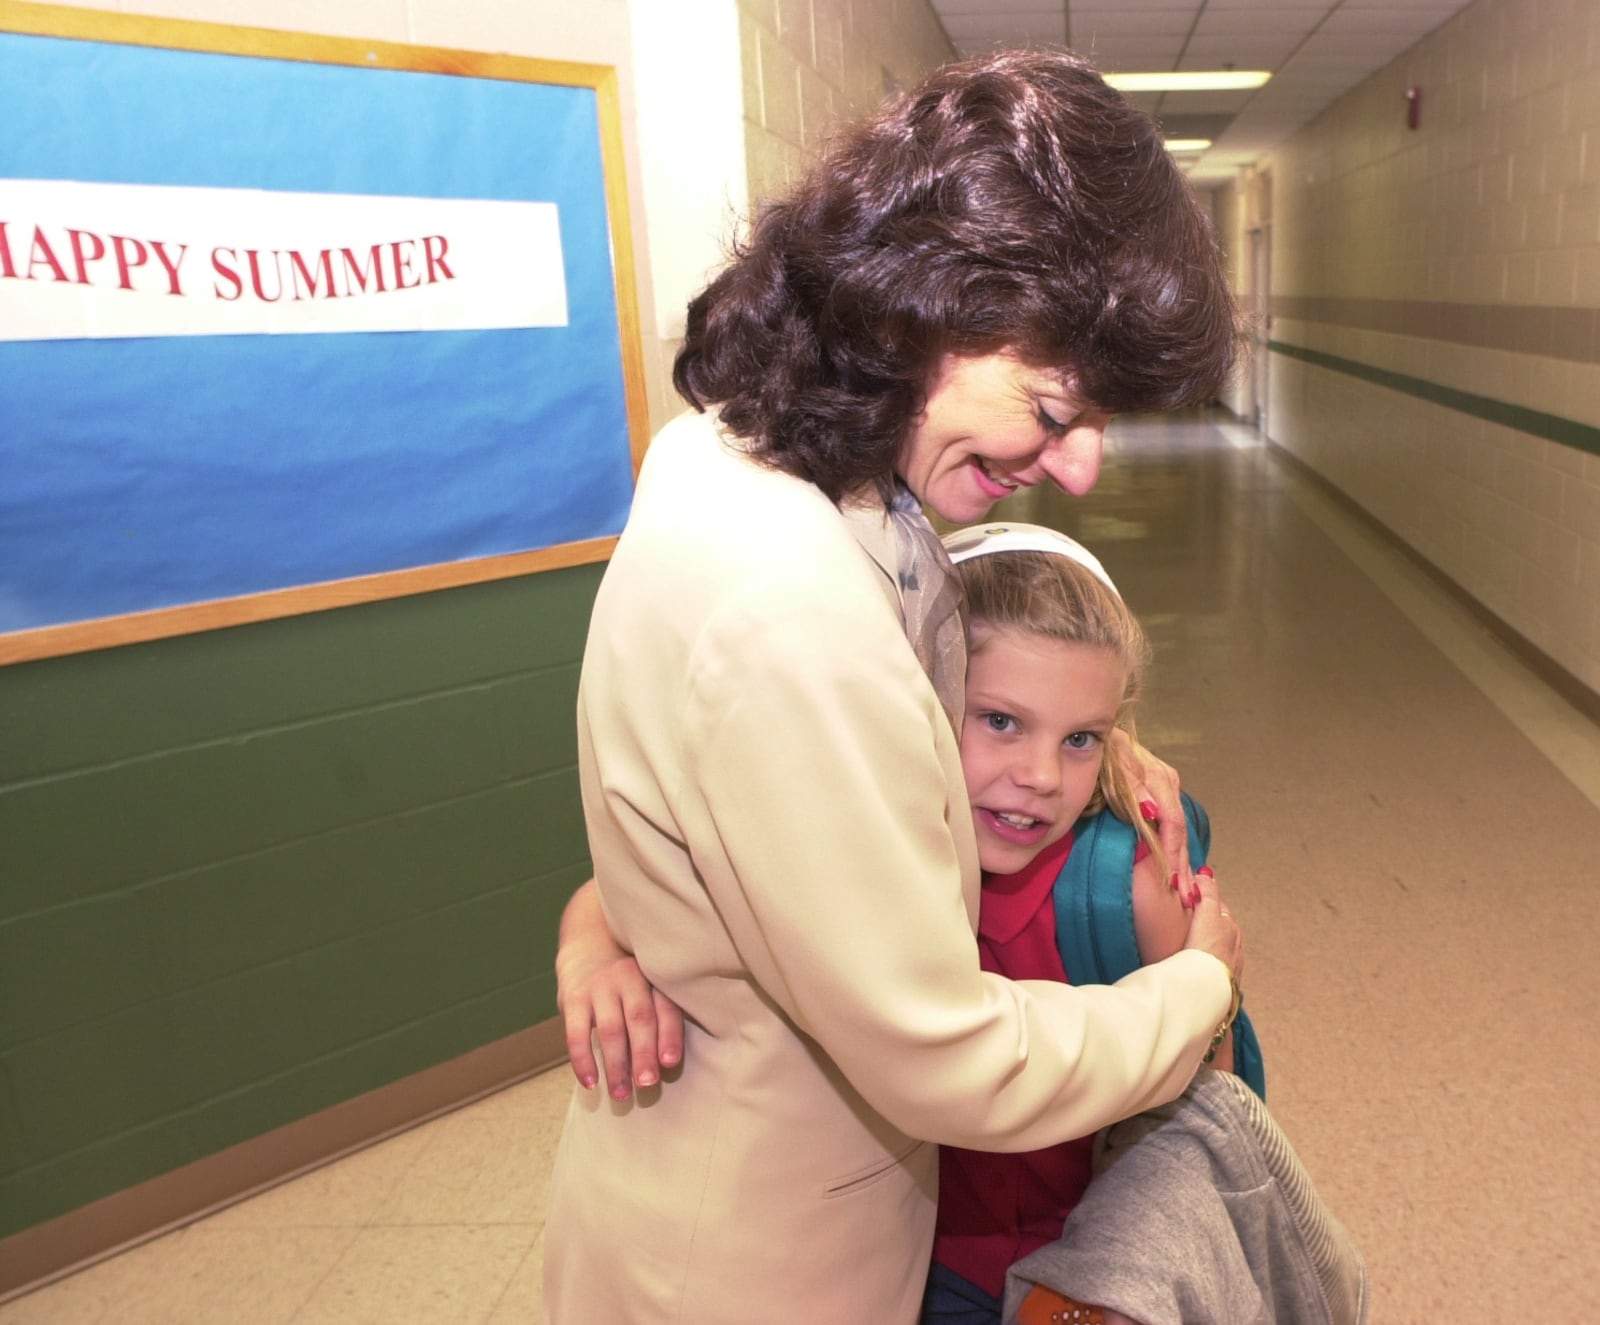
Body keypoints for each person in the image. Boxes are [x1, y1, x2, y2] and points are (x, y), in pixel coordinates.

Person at [543, 47, 1244, 1325]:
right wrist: (1195, 984)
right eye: (1052, 405)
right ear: (922, 303)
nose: (1078, 466)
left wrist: (1102, 745)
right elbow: (944, 1053)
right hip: (758, 1263)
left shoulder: (737, 455)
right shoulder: (790, 607)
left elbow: (767, 791)